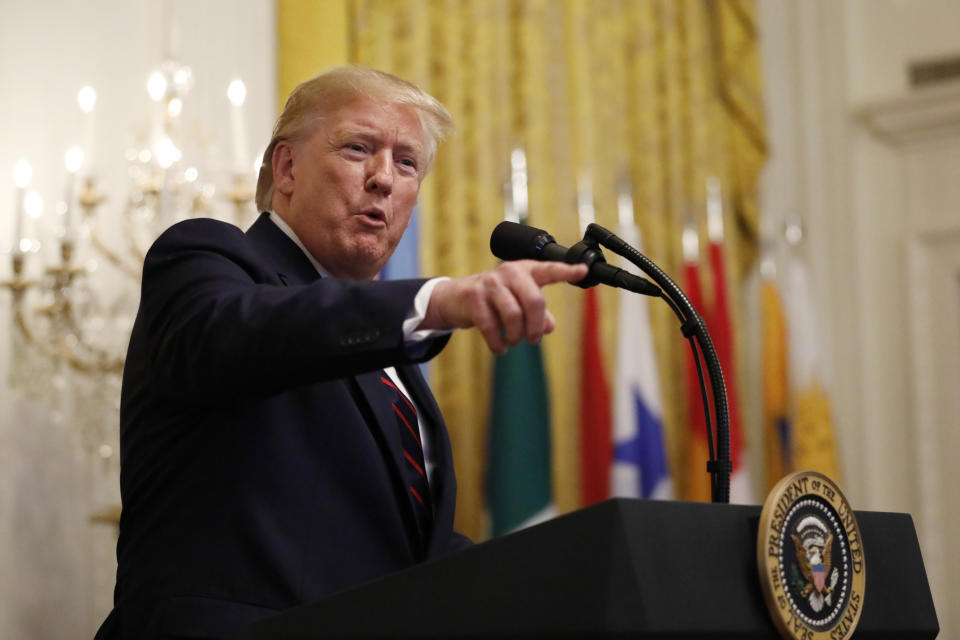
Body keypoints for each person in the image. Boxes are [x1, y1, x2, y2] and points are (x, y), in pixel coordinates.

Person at [94, 66, 586, 639]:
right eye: (358, 148)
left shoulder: (394, 360)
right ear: (287, 167)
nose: (384, 179)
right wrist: (437, 298)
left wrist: (554, 588)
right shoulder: (208, 260)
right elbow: (243, 334)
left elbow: (405, 551)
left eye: (406, 163)